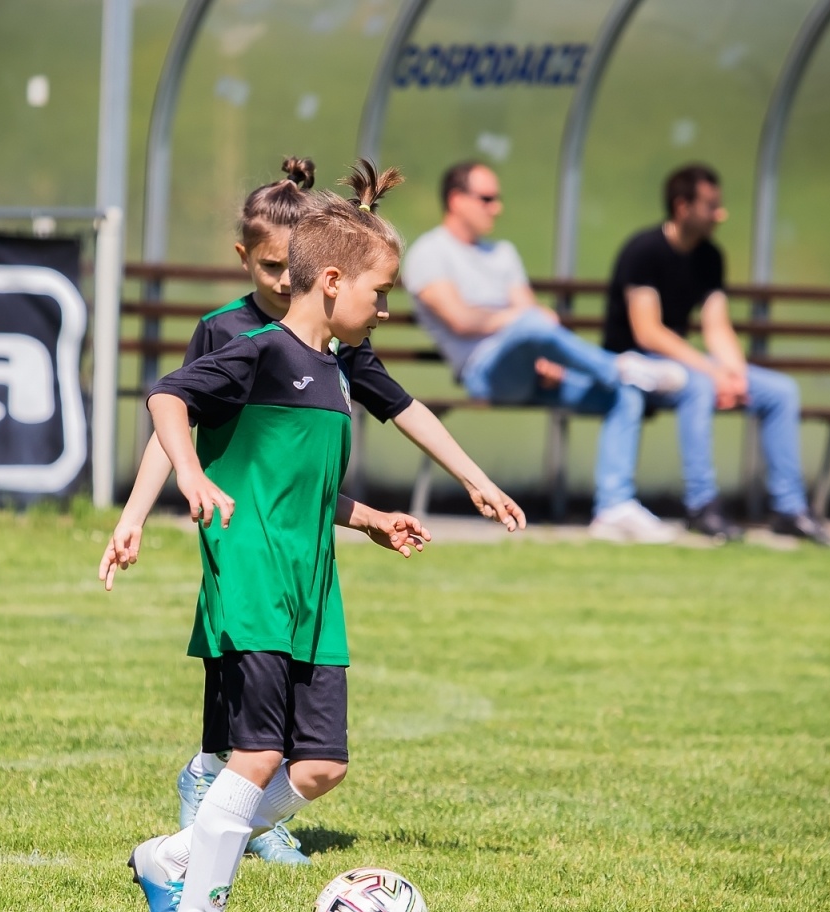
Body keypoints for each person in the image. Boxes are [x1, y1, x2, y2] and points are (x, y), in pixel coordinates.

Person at [101, 157, 526, 867]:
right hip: (250, 553)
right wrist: (149, 504)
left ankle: (210, 829)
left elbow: (385, 422)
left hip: (310, 564)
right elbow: (174, 413)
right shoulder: (236, 339)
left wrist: (457, 485)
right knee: (247, 733)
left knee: (307, 756)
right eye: (268, 266)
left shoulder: (340, 351)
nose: (277, 280)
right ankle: (215, 824)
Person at [127, 161, 428, 912]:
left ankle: (172, 856)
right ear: (331, 282)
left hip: (314, 588)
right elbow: (165, 398)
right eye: (379, 290)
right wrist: (189, 476)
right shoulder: (255, 350)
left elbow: (308, 487)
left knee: (322, 766)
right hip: (256, 574)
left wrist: (368, 520)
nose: (387, 306)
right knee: (256, 755)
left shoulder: (335, 369)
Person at [403, 160, 687, 544]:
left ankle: (614, 507)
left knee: (626, 393)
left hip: (536, 369)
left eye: (497, 199)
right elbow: (459, 319)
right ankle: (618, 366)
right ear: (456, 199)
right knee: (536, 323)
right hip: (485, 373)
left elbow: (532, 315)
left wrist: (546, 355)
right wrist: (520, 318)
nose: (497, 207)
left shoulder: (502, 251)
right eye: (487, 198)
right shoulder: (429, 252)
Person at [602, 164, 830, 547]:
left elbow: (716, 326)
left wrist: (734, 374)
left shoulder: (710, 256)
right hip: (633, 365)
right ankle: (702, 505)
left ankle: (790, 509)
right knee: (697, 386)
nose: (721, 214)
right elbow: (648, 332)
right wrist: (711, 373)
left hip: (682, 366)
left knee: (780, 391)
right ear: (682, 207)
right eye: (711, 206)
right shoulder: (643, 251)